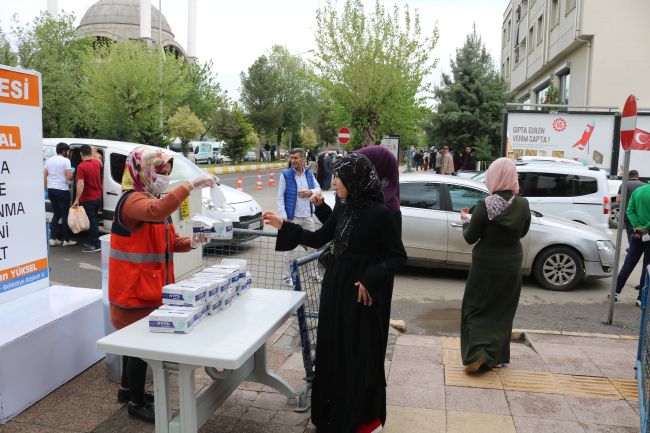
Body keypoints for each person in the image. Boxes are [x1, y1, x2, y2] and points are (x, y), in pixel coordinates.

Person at [263, 153, 406, 433]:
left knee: (355, 356)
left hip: (358, 296)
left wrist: (370, 278)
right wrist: (284, 226)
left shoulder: (381, 214)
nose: (334, 181)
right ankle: (331, 416)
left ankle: (361, 418)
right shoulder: (344, 208)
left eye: (339, 177)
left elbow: (397, 257)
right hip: (334, 290)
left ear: (354, 180)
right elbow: (319, 238)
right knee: (332, 351)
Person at [108, 146, 216, 423]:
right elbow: (156, 212)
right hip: (132, 291)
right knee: (138, 350)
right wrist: (190, 184)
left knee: (135, 347)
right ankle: (135, 402)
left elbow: (170, 240)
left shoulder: (155, 200)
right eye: (160, 172)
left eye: (167, 173)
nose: (164, 178)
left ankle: (126, 390)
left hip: (152, 288)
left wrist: (192, 242)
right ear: (142, 171)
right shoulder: (132, 201)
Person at [460, 157, 530, 373]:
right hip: (511, 262)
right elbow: (523, 232)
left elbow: (471, 237)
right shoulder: (523, 204)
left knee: (476, 307)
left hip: (486, 264)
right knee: (502, 310)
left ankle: (478, 353)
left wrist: (465, 221)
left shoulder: (484, 205)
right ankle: (495, 357)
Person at [277, 148, 321, 286]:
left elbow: (318, 188)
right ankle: (286, 278)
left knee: (313, 247)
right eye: (291, 158)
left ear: (303, 159)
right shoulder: (285, 175)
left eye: (296, 158)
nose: (293, 160)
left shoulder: (309, 174)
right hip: (292, 218)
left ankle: (313, 275)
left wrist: (310, 192)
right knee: (288, 249)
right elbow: (280, 197)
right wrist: (283, 215)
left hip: (307, 216)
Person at [613, 181, 650, 307]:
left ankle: (615, 292)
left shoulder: (639, 190)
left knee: (629, 263)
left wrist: (637, 227)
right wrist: (646, 227)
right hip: (648, 233)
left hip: (637, 234)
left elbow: (630, 210)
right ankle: (641, 298)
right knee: (647, 267)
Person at [44, 142, 76, 247]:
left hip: (51, 190)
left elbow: (44, 175)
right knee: (65, 215)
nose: (67, 153)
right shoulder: (66, 160)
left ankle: (53, 239)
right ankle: (66, 240)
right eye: (67, 151)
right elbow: (69, 176)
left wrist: (46, 189)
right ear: (63, 151)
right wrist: (72, 173)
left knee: (56, 214)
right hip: (62, 190)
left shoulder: (49, 160)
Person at [72, 144, 103, 252]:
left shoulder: (81, 166)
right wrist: (95, 152)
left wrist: (76, 199)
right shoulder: (97, 163)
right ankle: (92, 240)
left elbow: (80, 184)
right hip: (98, 197)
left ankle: (96, 244)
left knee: (92, 221)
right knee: (94, 219)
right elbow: (100, 161)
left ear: (81, 154)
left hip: (88, 198)